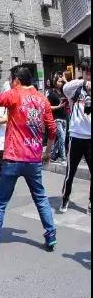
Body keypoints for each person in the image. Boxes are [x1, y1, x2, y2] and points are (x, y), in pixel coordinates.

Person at [0, 65, 57, 253]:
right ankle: (51, 235)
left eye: (11, 79)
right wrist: (48, 152)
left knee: (0, 203)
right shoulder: (42, 100)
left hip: (13, 158)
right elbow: (52, 130)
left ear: (17, 80)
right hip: (33, 160)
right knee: (40, 199)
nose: (11, 83)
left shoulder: (15, 94)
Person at [60, 57, 91, 214]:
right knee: (70, 171)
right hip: (76, 136)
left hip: (90, 138)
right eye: (85, 72)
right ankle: (65, 198)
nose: (88, 75)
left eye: (90, 72)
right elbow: (65, 88)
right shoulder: (76, 89)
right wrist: (82, 82)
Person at [46, 74, 67, 163]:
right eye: (59, 81)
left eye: (61, 81)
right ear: (55, 82)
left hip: (64, 118)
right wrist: (59, 106)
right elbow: (48, 107)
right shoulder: (51, 94)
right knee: (61, 138)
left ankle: (52, 155)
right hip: (56, 119)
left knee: (61, 139)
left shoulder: (64, 92)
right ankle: (63, 158)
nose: (61, 83)